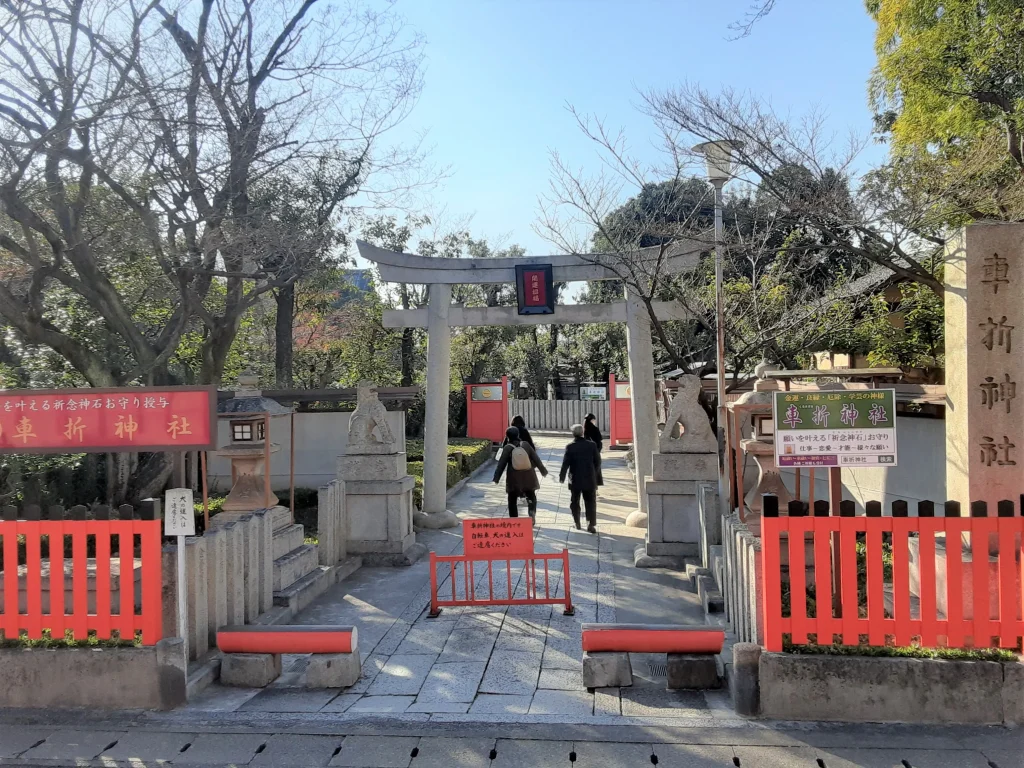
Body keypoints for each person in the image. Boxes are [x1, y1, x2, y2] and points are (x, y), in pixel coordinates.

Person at [494, 426, 547, 521]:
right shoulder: (525, 445)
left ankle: (514, 520)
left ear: (507, 436)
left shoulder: (507, 448)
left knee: (512, 500)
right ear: (518, 434)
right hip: (528, 476)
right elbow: (536, 459)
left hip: (514, 479)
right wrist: (543, 471)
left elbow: (501, 464)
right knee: (531, 496)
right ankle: (531, 513)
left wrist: (496, 478)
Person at [559, 424, 602, 533]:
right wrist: (594, 473)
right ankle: (590, 524)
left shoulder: (570, 446)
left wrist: (562, 477)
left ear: (573, 434)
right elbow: (598, 462)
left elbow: (565, 464)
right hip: (589, 478)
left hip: (575, 478)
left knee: (575, 501)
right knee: (590, 502)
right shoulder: (592, 445)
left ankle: (577, 522)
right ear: (582, 432)